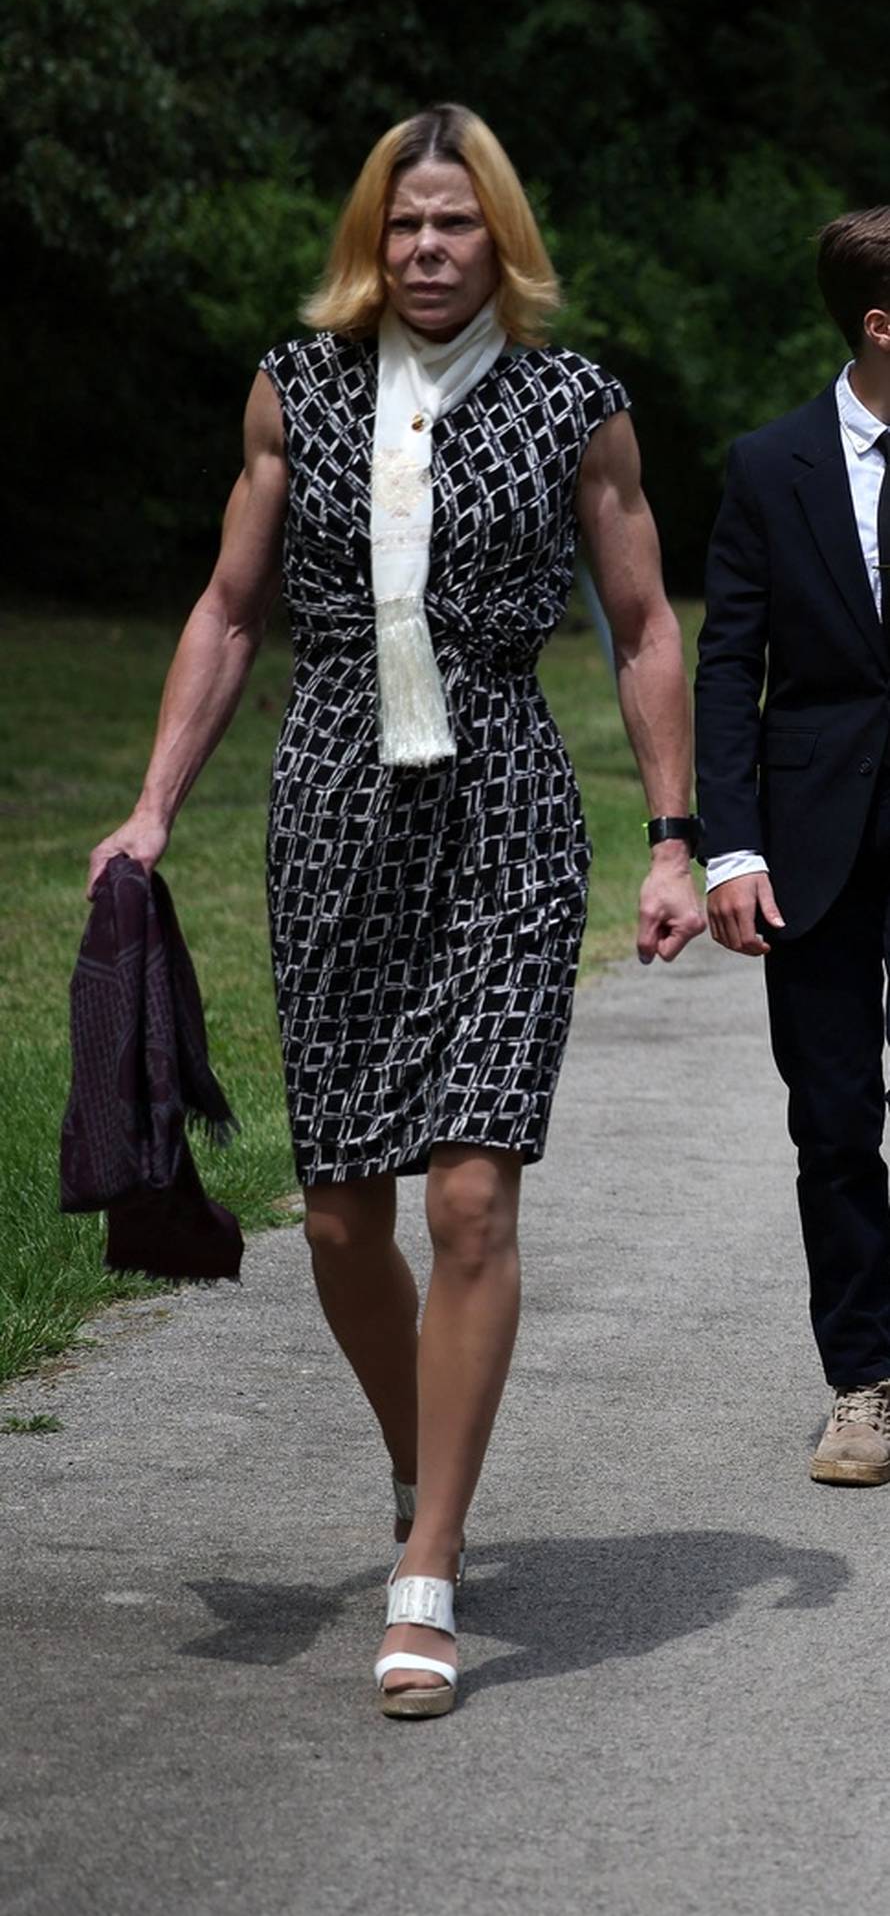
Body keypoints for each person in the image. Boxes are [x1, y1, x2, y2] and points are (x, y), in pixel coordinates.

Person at [88, 103, 703, 1716]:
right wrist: (153, 806)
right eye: (405, 224)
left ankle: (425, 1563)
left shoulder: (580, 405)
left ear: (502, 236)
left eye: (457, 224)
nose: (430, 251)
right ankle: (416, 1456)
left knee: (470, 1202)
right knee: (350, 1214)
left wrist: (671, 837)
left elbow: (643, 626)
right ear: (373, 238)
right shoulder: (297, 394)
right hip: (336, 811)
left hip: (504, 803)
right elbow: (230, 609)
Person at [696, 206, 890, 1488]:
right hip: (818, 835)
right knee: (831, 1118)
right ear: (878, 324)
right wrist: (727, 849)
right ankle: (863, 1382)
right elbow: (726, 665)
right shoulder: (771, 466)